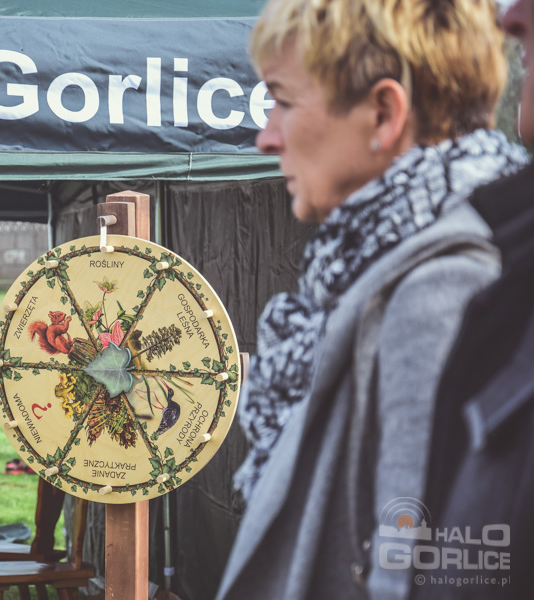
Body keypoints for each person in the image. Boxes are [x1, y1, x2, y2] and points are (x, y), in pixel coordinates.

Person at [215, 1, 528, 599]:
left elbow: (413, 572)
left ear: (384, 113)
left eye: (283, 102)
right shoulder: (389, 262)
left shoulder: (440, 289)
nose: (266, 138)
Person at [411, 2, 534, 598]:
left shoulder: (447, 275)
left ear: (387, 110)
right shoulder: (505, 257)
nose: (510, 18)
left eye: (288, 100)